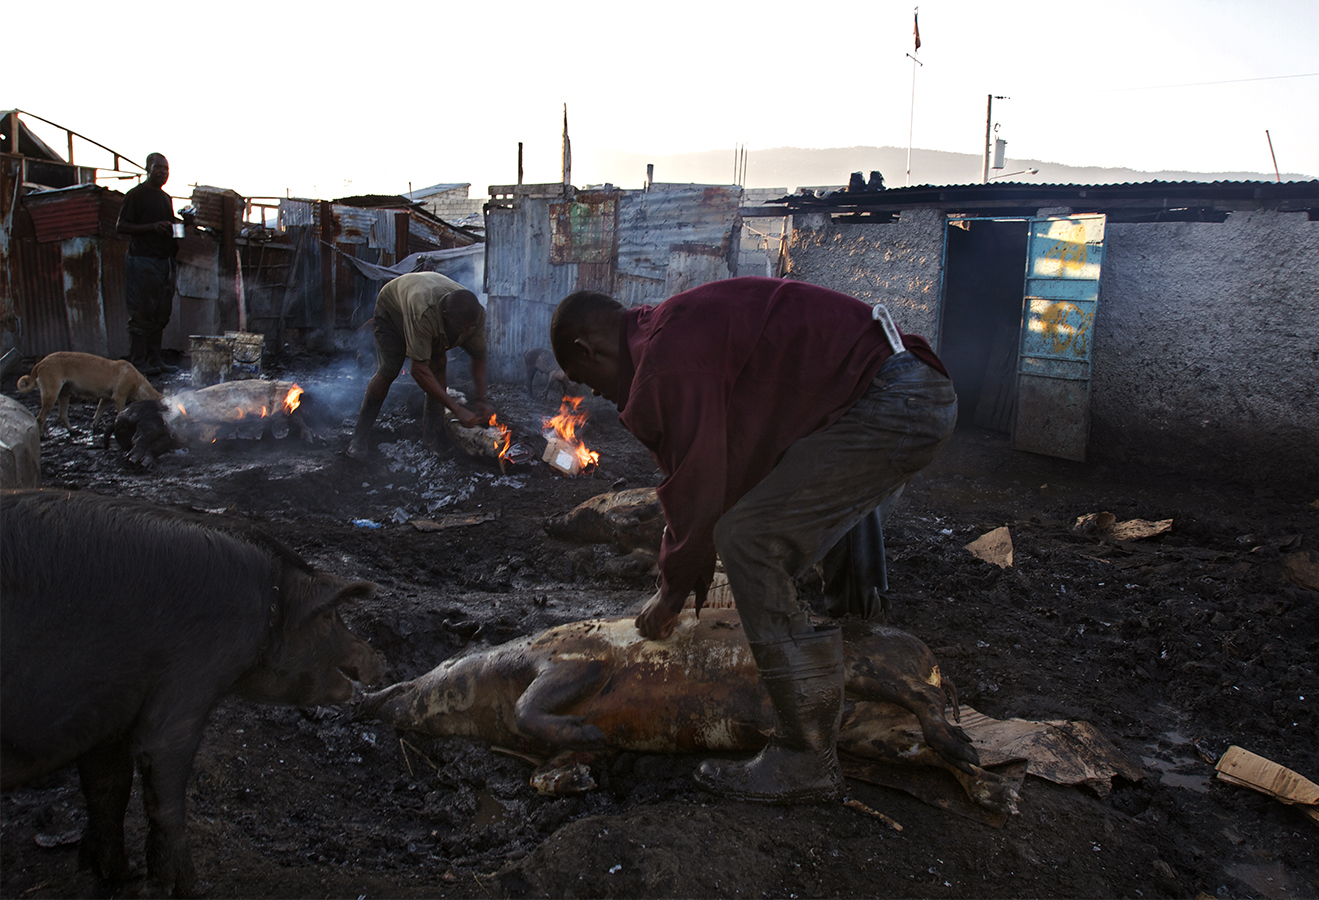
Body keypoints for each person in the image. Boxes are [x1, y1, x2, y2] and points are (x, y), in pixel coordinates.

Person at [550, 276, 957, 804]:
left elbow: (699, 489)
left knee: (748, 540)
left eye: (593, 382)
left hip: (894, 399)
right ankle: (855, 627)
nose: (602, 396)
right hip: (900, 388)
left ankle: (805, 756)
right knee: (788, 497)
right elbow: (727, 467)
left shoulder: (668, 354)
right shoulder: (670, 330)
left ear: (589, 347)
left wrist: (671, 592)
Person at [347, 271, 495, 459]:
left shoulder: (475, 314)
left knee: (440, 364)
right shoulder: (425, 315)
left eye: (470, 328)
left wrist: (481, 399)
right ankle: (359, 438)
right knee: (389, 370)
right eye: (462, 328)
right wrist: (456, 409)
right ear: (446, 317)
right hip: (393, 311)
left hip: (427, 302)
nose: (467, 332)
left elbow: (479, 357)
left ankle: (432, 438)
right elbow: (418, 370)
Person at [116, 153, 179, 375]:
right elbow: (121, 226)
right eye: (158, 168)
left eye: (166, 169)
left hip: (163, 262)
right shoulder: (135, 195)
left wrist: (183, 224)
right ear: (147, 169)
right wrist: (151, 227)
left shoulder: (165, 198)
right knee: (141, 313)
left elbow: (169, 225)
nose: (163, 172)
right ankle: (138, 363)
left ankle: (155, 359)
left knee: (161, 313)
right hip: (142, 260)